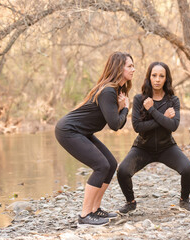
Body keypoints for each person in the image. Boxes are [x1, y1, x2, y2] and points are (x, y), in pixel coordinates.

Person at [55, 52, 135, 226]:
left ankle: (95, 210)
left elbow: (117, 125)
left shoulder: (115, 91)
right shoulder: (108, 91)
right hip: (69, 130)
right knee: (101, 165)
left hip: (82, 132)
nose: (133, 69)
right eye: (129, 66)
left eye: (132, 66)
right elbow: (115, 125)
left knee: (111, 164)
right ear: (118, 68)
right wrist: (124, 108)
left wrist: (122, 108)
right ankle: (85, 215)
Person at [117, 62, 190, 214]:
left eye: (161, 76)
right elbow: (137, 127)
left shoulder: (173, 100)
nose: (157, 79)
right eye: (154, 75)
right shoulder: (140, 99)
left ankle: (184, 200)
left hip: (167, 147)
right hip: (142, 147)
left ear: (166, 79)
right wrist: (163, 118)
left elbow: (173, 126)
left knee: (188, 170)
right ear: (149, 77)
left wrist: (152, 110)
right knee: (122, 171)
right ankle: (130, 202)